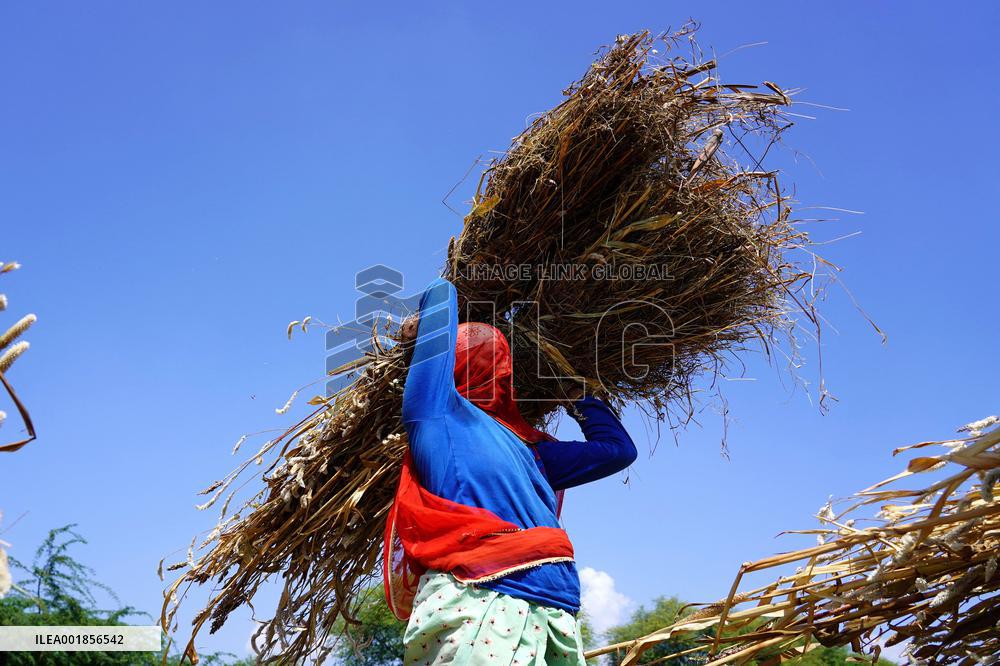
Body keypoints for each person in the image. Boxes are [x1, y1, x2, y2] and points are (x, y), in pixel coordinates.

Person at [383, 277, 637, 665]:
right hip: (480, 602)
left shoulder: (531, 450)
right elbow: (441, 293)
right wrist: (426, 320)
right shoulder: (436, 415)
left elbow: (618, 451)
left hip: (558, 610)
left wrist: (576, 394)